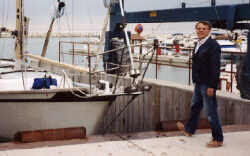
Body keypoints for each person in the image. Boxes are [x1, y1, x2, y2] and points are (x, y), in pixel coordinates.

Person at [176, 21, 224, 148]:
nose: (200, 30)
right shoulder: (198, 43)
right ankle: (189, 130)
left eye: (204, 28)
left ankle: (218, 139)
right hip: (199, 82)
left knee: (210, 111)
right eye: (198, 28)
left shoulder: (213, 45)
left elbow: (215, 68)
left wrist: (212, 86)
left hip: (207, 84)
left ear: (209, 30)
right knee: (195, 106)